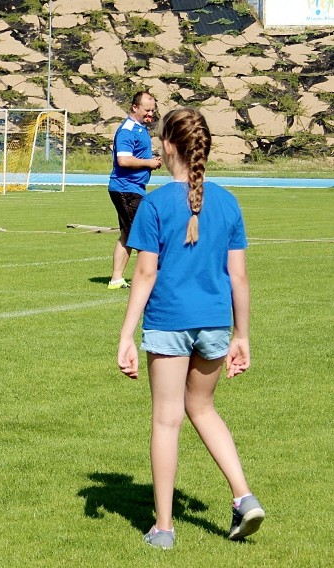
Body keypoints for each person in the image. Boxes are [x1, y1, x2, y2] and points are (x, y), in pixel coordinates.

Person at [117, 107, 264, 550]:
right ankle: (244, 496)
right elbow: (238, 276)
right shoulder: (228, 200)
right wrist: (242, 335)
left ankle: (163, 528)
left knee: (167, 419)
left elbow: (144, 275)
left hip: (169, 323)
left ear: (166, 146)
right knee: (203, 409)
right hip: (216, 324)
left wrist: (126, 335)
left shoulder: (157, 202)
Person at [107, 91, 162, 290]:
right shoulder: (127, 129)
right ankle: (148, 277)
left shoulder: (140, 128)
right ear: (134, 107)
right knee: (142, 234)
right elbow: (123, 159)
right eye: (147, 110)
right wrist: (149, 162)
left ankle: (116, 279)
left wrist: (151, 161)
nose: (150, 114)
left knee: (127, 235)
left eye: (152, 110)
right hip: (125, 188)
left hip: (133, 188)